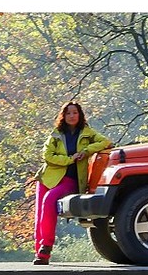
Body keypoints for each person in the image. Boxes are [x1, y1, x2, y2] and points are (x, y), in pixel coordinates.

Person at [31, 102, 112, 265]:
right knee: (41, 213)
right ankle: (41, 254)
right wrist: (70, 159)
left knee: (50, 199)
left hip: (71, 179)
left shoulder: (88, 133)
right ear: (63, 116)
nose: (72, 116)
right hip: (48, 177)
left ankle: (46, 246)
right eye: (68, 113)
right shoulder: (56, 134)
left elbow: (106, 142)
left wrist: (86, 151)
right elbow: (47, 155)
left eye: (75, 113)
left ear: (80, 115)